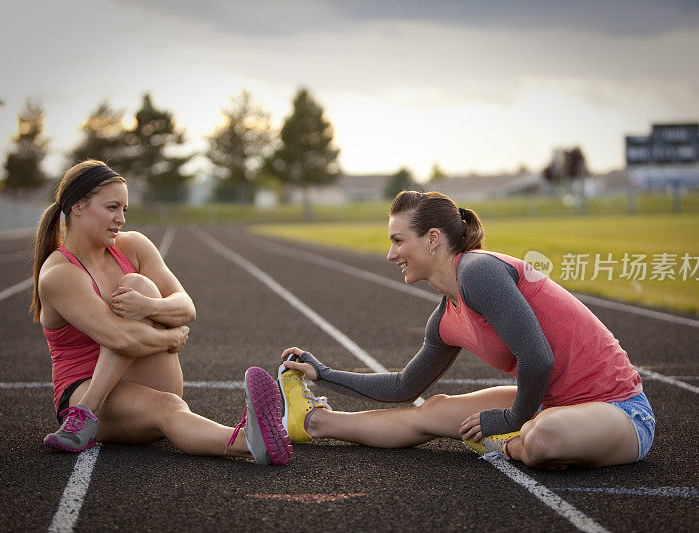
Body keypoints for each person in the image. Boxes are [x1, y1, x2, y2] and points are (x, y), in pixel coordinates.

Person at [278, 190, 655, 469]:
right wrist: (322, 374)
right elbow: (403, 387)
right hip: (548, 403)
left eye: (398, 241)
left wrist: (509, 420)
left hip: (617, 409)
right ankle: (315, 422)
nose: (390, 255)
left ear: (433, 238)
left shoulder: (478, 271)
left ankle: (507, 443)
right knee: (433, 411)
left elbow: (537, 359)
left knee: (543, 438)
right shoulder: (445, 318)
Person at [32, 159, 291, 465]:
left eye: (124, 210)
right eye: (112, 208)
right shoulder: (60, 274)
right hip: (84, 387)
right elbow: (120, 339)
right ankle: (247, 441)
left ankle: (252, 437)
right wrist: (170, 337)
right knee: (168, 406)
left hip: (142, 370)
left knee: (137, 285)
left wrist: (151, 307)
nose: (121, 219)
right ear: (78, 206)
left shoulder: (133, 247)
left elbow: (186, 307)